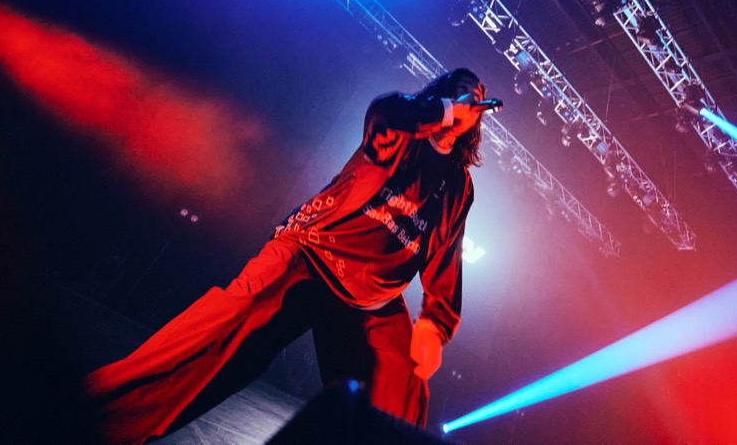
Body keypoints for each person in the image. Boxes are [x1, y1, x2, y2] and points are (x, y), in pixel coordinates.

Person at [84, 68, 489, 444]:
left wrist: (434, 325)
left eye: (476, 99)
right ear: (444, 95)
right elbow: (385, 112)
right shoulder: (404, 130)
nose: (470, 101)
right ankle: (102, 417)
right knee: (225, 331)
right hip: (311, 252)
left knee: (402, 387)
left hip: (372, 298)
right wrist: (443, 111)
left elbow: (445, 255)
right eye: (462, 92)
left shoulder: (459, 186)